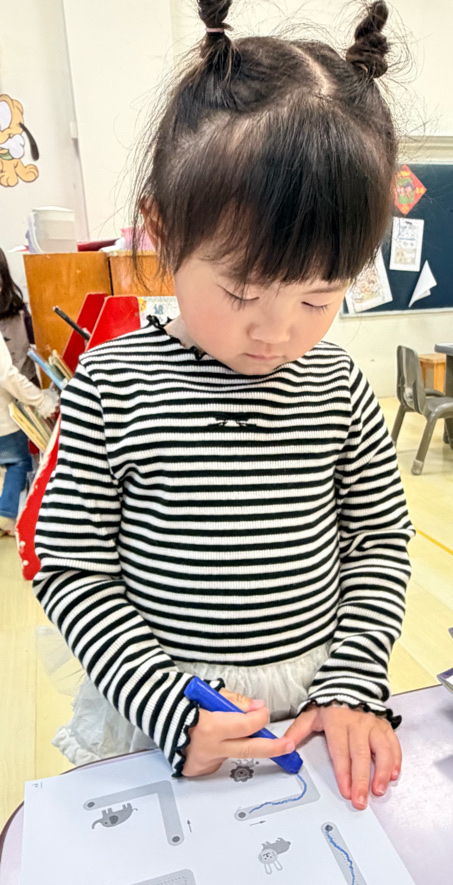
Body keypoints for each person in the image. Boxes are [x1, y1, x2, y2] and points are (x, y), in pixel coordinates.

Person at [33, 0, 414, 811]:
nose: (276, 332)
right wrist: (170, 707)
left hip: (311, 704)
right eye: (241, 291)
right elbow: (71, 569)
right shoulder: (113, 383)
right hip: (165, 712)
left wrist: (353, 681)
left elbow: (380, 541)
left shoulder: (338, 386)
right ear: (162, 231)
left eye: (319, 298)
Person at [0, 250, 58, 535]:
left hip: (13, 404)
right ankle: (6, 517)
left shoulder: (20, 315)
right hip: (7, 411)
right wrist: (41, 400)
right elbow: (7, 375)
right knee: (18, 462)